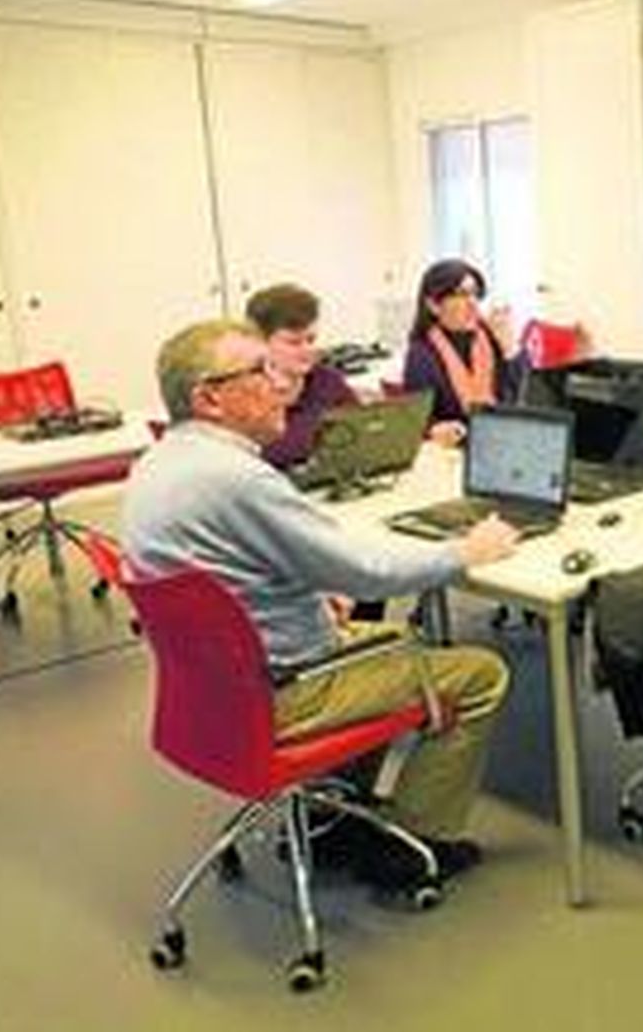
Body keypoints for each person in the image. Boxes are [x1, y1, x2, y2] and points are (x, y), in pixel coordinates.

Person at [122, 318, 520, 888]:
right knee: (480, 674)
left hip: (221, 683)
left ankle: (329, 820)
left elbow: (219, 573)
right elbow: (368, 573)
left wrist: (306, 597)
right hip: (289, 685)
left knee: (384, 643)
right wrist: (467, 550)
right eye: (259, 371)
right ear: (208, 398)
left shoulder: (160, 463)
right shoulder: (237, 478)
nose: (281, 382)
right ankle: (411, 844)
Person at [402, 259, 525, 439]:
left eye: (476, 294)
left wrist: (510, 350)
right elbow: (416, 420)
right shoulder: (422, 354)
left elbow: (523, 398)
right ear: (433, 305)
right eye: (461, 295)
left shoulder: (491, 334)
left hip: (505, 438)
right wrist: (433, 429)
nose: (472, 303)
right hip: (457, 451)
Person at [244, 283, 358, 469]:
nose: (308, 350)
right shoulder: (243, 392)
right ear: (259, 342)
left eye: (311, 340)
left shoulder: (328, 381)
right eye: (294, 342)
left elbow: (361, 436)